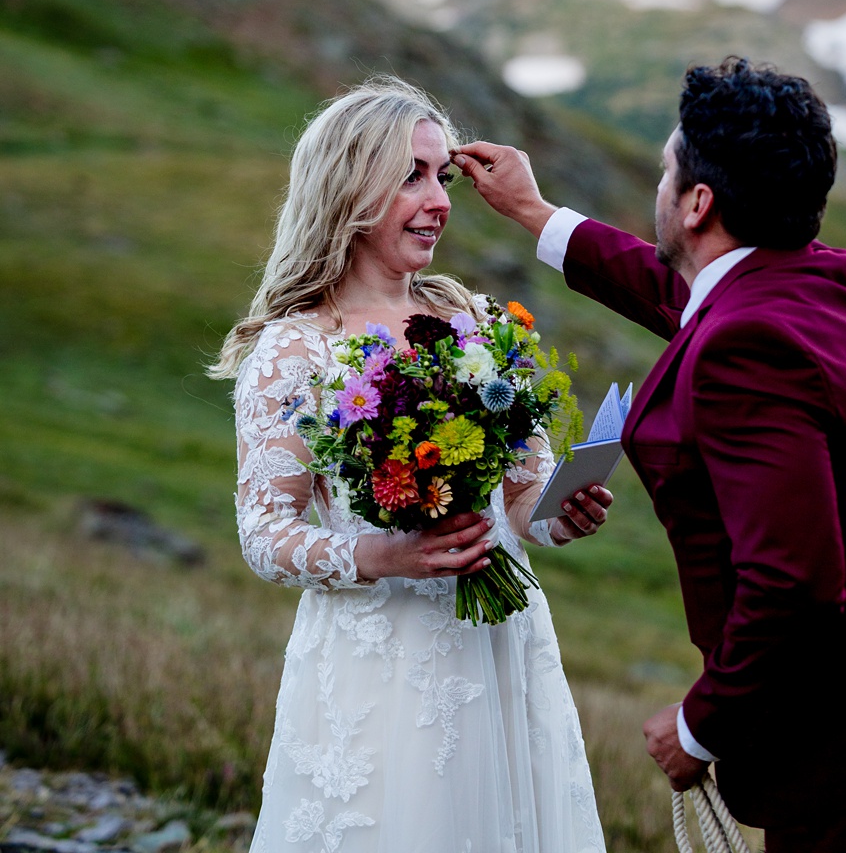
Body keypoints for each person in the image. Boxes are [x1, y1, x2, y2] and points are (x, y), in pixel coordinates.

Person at [454, 57, 846, 852]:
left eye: (665, 170)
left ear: (697, 203)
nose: (658, 186)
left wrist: (698, 726)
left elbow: (796, 583)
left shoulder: (744, 349)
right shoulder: (835, 282)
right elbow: (691, 299)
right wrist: (537, 214)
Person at [210, 76, 611, 853]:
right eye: (412, 176)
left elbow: (527, 501)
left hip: (502, 646)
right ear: (350, 187)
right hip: (381, 669)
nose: (440, 199)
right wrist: (383, 553)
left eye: (444, 176)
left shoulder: (476, 323)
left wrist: (565, 515)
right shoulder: (297, 347)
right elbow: (264, 533)